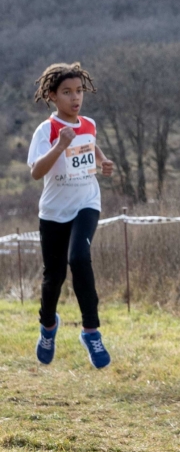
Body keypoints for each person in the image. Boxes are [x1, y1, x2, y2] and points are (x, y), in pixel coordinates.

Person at [28, 62, 114, 369]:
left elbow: (90, 143)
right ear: (53, 96)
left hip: (86, 203)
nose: (75, 98)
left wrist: (103, 161)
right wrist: (60, 145)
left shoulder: (88, 123)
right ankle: (48, 327)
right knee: (54, 276)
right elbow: (37, 172)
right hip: (53, 211)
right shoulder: (47, 130)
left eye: (79, 91)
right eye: (67, 92)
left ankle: (91, 331)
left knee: (79, 258)